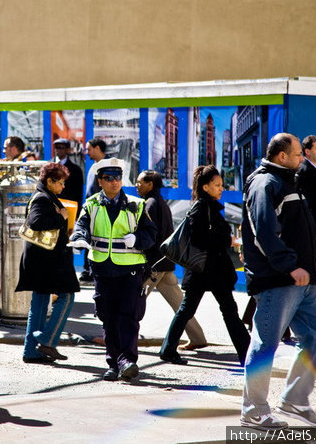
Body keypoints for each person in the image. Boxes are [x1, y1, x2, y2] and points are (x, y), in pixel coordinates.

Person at [240, 133, 316, 430]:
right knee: (265, 344)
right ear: (281, 156)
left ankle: (295, 400)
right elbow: (263, 231)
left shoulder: (289, 181)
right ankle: (254, 411)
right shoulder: (265, 183)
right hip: (279, 280)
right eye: (296, 154)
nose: (302, 158)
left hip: (303, 282)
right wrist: (290, 266)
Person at [69, 158, 156, 381]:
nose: (114, 182)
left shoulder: (137, 204)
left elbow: (151, 235)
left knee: (128, 317)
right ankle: (114, 363)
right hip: (103, 269)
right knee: (108, 317)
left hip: (130, 270)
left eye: (117, 178)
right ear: (100, 181)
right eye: (108, 178)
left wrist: (137, 239)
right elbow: (80, 226)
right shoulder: (91, 204)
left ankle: (127, 360)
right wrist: (79, 239)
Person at [158, 165, 249, 366]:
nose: (221, 188)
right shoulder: (202, 208)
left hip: (208, 270)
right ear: (205, 187)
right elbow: (199, 239)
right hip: (207, 269)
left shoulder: (209, 207)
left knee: (213, 310)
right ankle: (247, 353)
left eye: (221, 185)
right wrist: (225, 240)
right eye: (216, 185)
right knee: (214, 310)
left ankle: (168, 349)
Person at [135, 170, 207, 351]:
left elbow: (150, 237)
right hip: (165, 264)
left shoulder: (150, 204)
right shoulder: (161, 203)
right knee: (179, 304)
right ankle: (198, 338)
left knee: (133, 301)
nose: (137, 185)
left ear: (150, 184)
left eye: (140, 182)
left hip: (154, 266)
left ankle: (120, 337)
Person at [17, 162, 80, 363]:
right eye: (60, 183)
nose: (63, 187)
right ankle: (46, 339)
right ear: (50, 181)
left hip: (42, 259)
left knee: (40, 303)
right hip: (46, 261)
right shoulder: (43, 198)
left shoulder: (45, 195)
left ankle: (31, 351)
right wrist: (61, 218)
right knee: (67, 296)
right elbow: (36, 222)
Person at [79, 137, 107, 284]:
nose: (87, 152)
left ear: (97, 148)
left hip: (100, 210)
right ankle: (88, 270)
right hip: (91, 209)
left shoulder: (107, 166)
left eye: (89, 149)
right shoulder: (94, 166)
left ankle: (92, 270)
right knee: (87, 238)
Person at [52, 138, 84, 211]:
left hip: (68, 209)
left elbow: (78, 194)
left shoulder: (76, 170)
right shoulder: (48, 166)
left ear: (67, 150)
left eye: (61, 148)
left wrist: (77, 213)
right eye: (56, 147)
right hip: (50, 209)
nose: (58, 150)